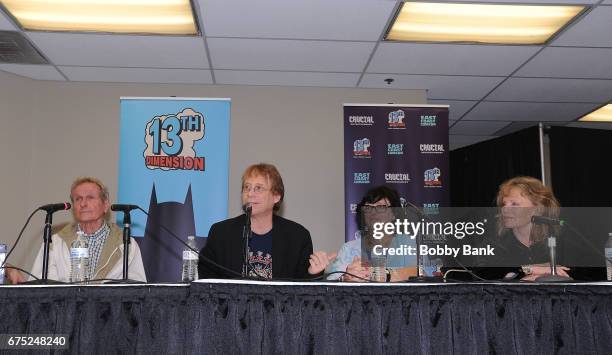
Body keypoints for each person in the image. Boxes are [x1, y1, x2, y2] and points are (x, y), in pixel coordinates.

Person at [198, 163, 333, 280]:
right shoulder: (221, 233)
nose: (250, 194)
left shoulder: (297, 237)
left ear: (276, 196)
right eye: (246, 187)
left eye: (258, 188)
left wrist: (313, 274)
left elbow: (303, 292)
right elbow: (206, 281)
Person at [20, 177, 146, 283]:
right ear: (73, 206)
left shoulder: (125, 244)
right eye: (78, 199)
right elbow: (38, 289)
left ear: (105, 204)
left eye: (90, 197)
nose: (83, 204)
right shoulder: (55, 242)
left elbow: (137, 290)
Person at [474, 176, 570, 281]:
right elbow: (482, 275)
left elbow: (582, 272)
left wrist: (537, 276)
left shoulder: (561, 240)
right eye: (504, 204)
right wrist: (529, 270)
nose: (505, 209)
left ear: (537, 209)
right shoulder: (494, 243)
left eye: (514, 204)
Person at [327, 186, 417, 282]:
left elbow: (419, 273)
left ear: (393, 213)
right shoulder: (349, 248)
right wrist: (346, 277)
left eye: (380, 207)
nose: (373, 212)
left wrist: (383, 274)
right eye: (368, 207)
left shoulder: (407, 242)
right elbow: (331, 281)